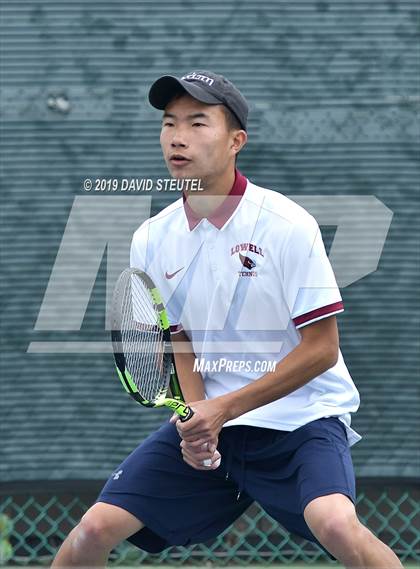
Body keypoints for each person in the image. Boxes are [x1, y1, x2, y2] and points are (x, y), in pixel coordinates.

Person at [51, 70, 403, 568]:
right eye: (170, 123)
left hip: (301, 420)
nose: (178, 137)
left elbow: (322, 349)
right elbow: (181, 340)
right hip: (217, 426)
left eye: (198, 123)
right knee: (91, 531)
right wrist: (198, 418)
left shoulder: (287, 225)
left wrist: (224, 409)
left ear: (236, 140)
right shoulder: (151, 239)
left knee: (337, 524)